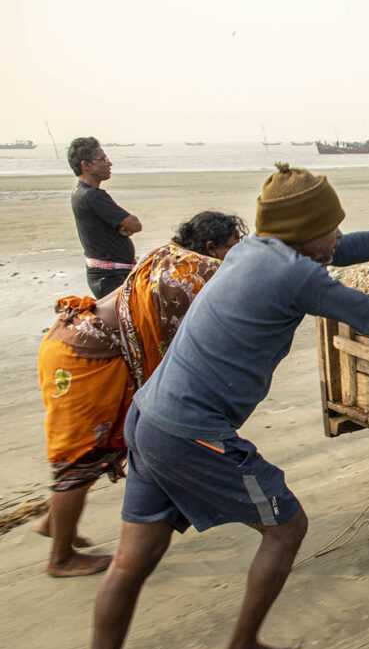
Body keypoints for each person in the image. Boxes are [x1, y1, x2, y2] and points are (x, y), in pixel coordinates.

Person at [87, 163, 369, 649]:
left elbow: (342, 251)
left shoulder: (252, 250)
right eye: (331, 226)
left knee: (133, 562)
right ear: (306, 232)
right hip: (191, 433)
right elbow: (367, 314)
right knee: (287, 528)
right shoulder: (296, 274)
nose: (337, 234)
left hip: (149, 417)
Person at [35, 212, 245, 578]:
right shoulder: (190, 275)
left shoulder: (169, 254)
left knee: (96, 448)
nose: (237, 252)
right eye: (233, 245)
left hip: (75, 344)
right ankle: (61, 558)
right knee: (79, 459)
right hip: (85, 359)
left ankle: (54, 522)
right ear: (211, 247)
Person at [67, 137, 144, 298]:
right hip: (110, 277)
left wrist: (122, 228)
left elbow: (122, 227)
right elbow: (135, 224)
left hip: (106, 274)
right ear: (86, 165)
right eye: (102, 159)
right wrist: (126, 227)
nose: (109, 164)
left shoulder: (79, 193)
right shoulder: (93, 196)